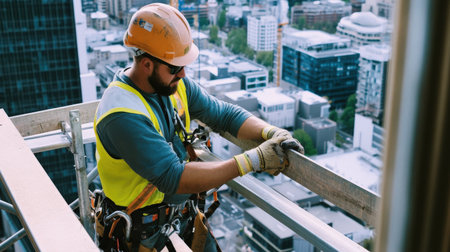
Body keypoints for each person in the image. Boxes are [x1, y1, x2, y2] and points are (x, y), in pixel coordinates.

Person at [93, 3, 303, 252]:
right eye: (174, 67)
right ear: (147, 63)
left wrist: (269, 132)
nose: (182, 73)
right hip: (142, 236)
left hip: (180, 220)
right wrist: (253, 161)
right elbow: (173, 177)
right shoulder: (122, 115)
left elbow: (223, 115)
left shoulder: (172, 85)